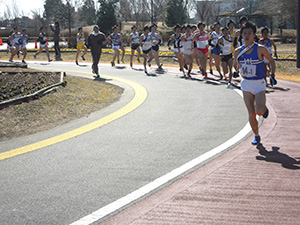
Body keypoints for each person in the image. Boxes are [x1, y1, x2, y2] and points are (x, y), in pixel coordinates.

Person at [234, 21, 276, 145]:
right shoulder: (237, 51)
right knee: (251, 113)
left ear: (254, 35)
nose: (247, 36)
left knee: (258, 112)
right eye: (244, 33)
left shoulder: (260, 49)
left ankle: (263, 109)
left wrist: (272, 75)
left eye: (249, 33)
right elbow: (236, 65)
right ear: (241, 35)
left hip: (258, 84)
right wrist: (236, 71)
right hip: (246, 84)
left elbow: (271, 61)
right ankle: (256, 135)